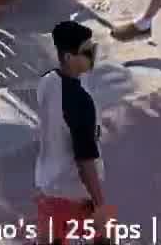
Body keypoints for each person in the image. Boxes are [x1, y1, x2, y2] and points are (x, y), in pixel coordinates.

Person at [36, 20, 110, 243]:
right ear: (68, 57)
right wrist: (100, 204)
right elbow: (85, 159)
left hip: (47, 187)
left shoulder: (47, 82)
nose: (93, 55)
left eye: (93, 49)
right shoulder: (81, 102)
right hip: (75, 193)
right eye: (87, 52)